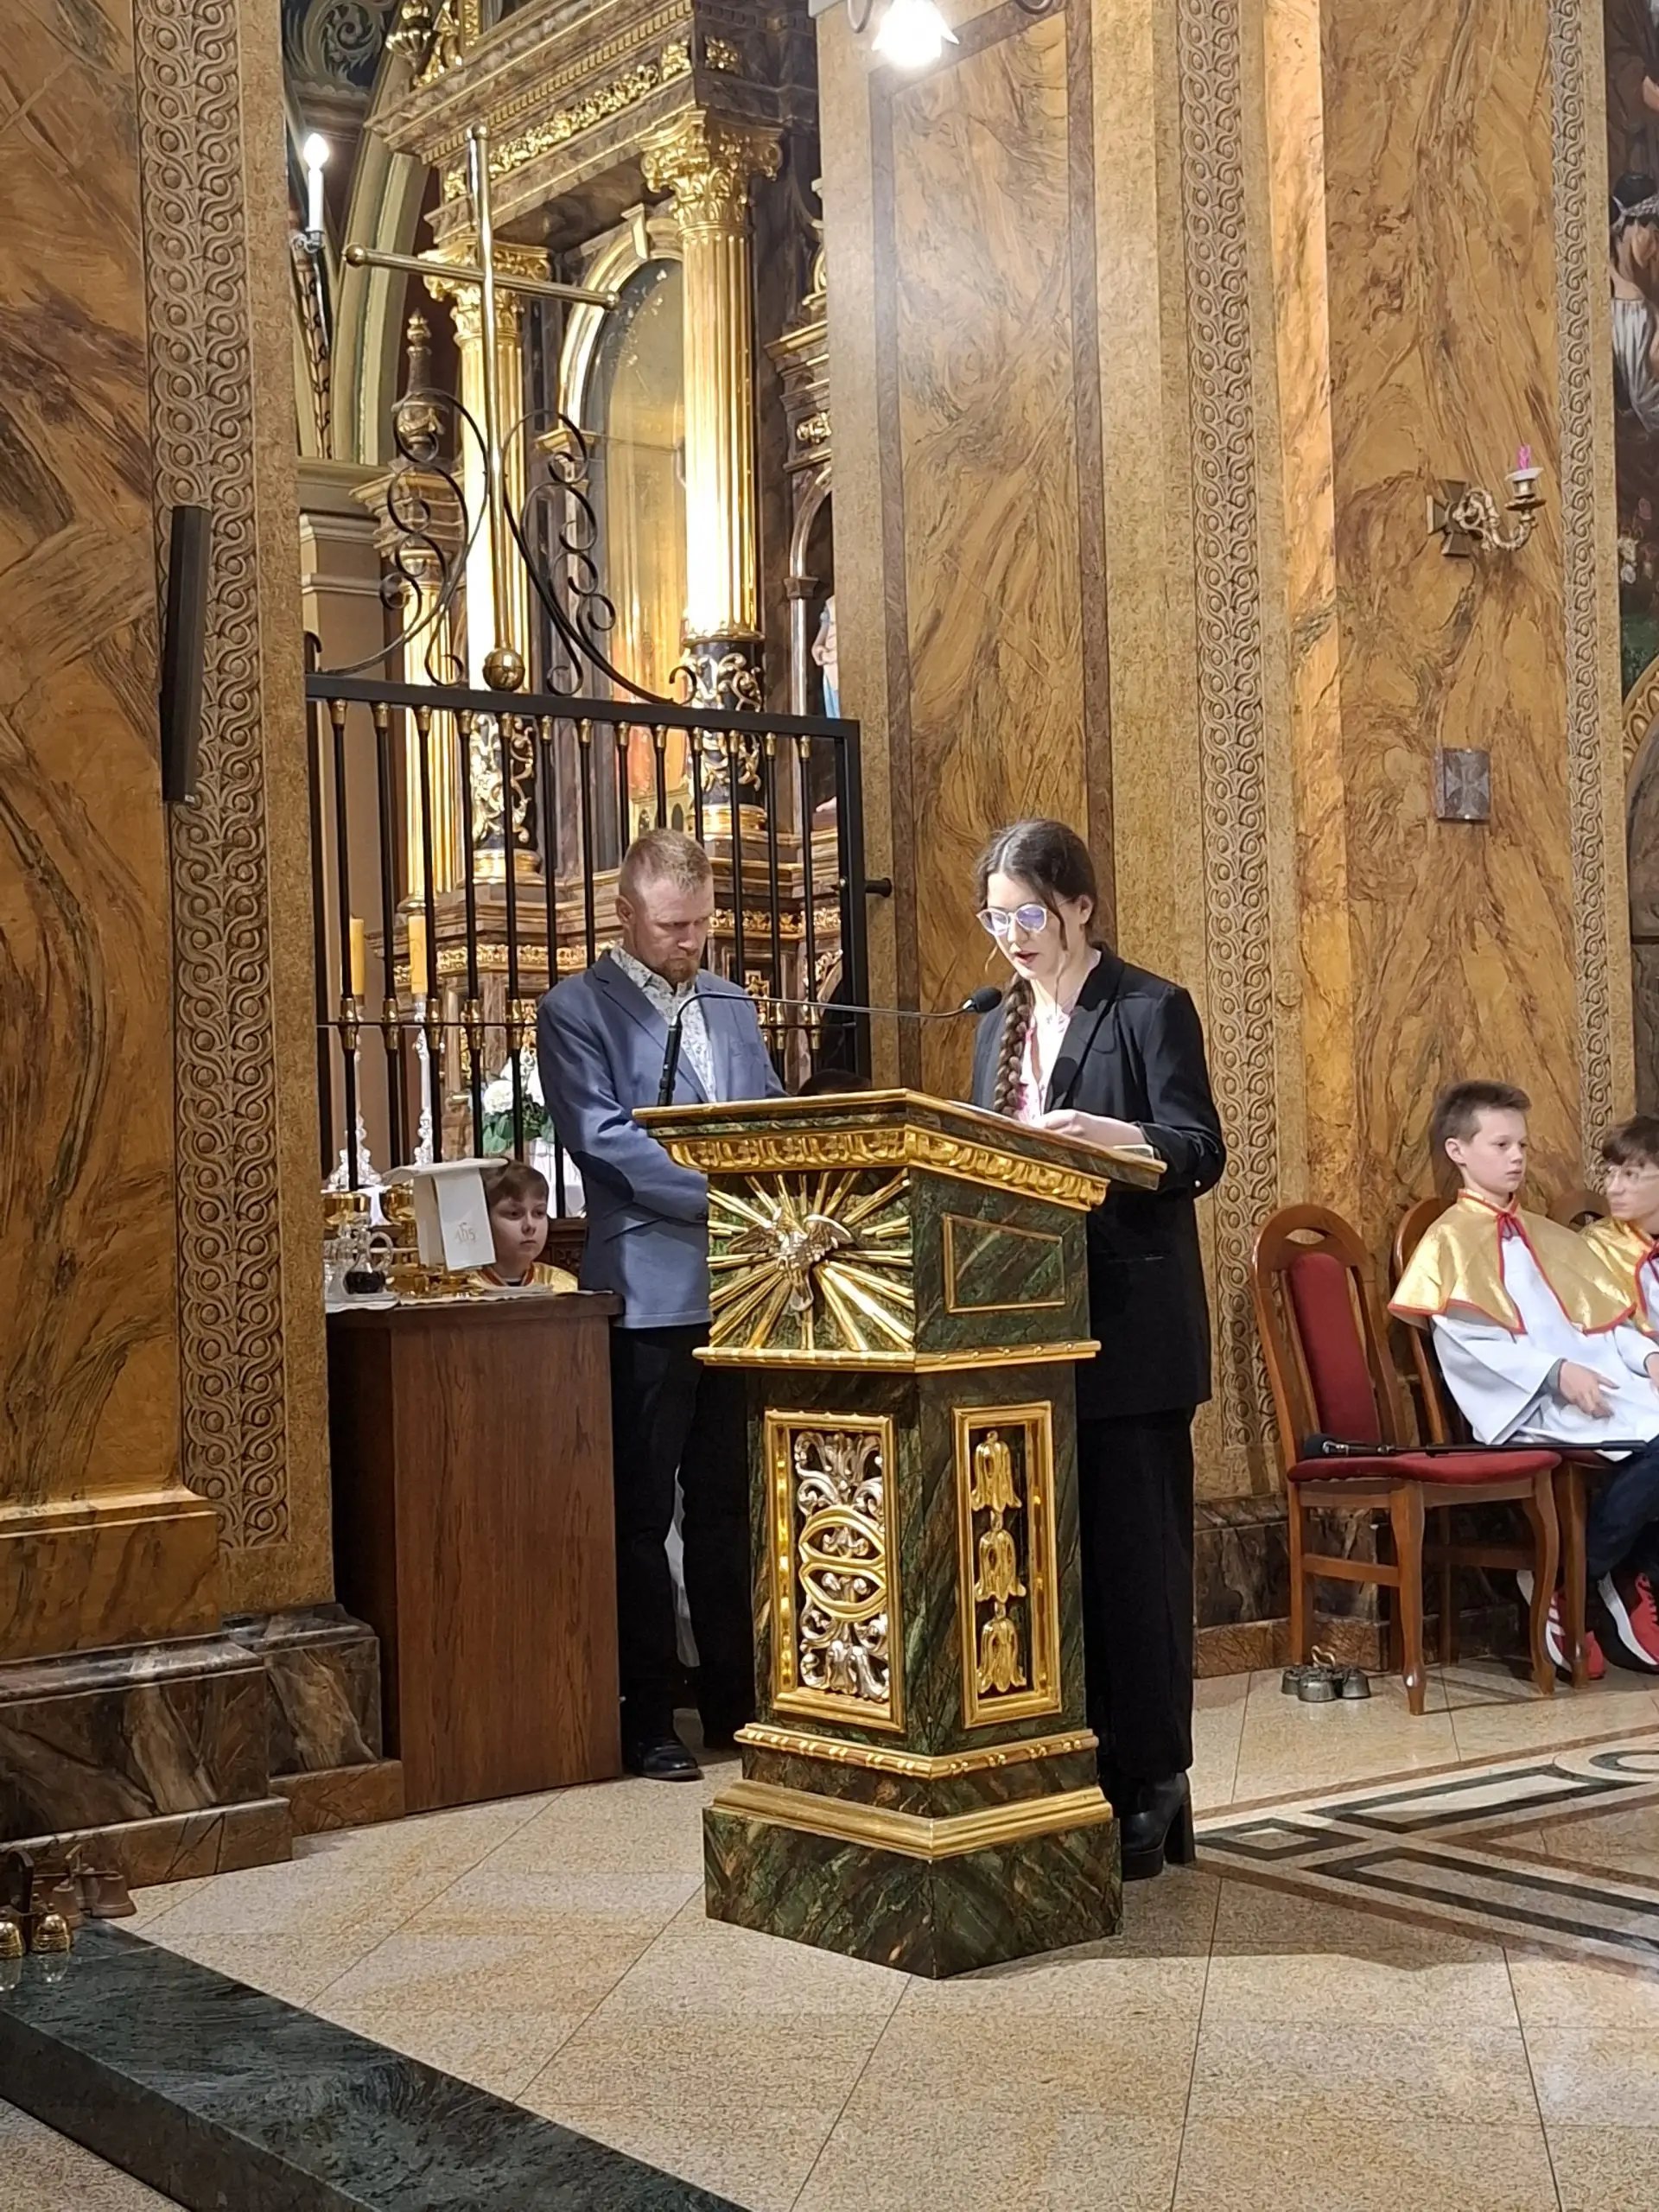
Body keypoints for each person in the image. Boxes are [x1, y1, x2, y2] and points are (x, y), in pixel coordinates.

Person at [968, 819, 1225, 1881]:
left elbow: (1199, 1148)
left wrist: (1122, 1139)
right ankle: (1080, 1767)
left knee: (1136, 1568)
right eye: (997, 918)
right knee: (1059, 1569)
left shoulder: (1147, 1008)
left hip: (1133, 1333)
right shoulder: (996, 1025)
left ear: (1080, 904)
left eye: (1030, 913)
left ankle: (1154, 1776)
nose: (1014, 936)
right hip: (1028, 1333)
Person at [537, 830, 784, 1780]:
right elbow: (605, 1141)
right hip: (648, 1290)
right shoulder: (575, 1009)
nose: (690, 942)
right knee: (641, 1515)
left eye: (701, 924)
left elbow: (767, 1111)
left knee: (730, 1505)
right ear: (625, 915)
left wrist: (774, 1185)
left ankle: (733, 1698)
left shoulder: (730, 1000)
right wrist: (729, 1198)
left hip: (740, 1289)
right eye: (673, 926)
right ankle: (647, 1715)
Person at [1389, 1082, 1659, 1674]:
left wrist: (1647, 1359)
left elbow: (1602, 1320)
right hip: (1531, 1403)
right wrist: (1554, 1372)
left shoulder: (1546, 1234)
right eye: (1501, 1144)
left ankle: (1603, 1574)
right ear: (1458, 1150)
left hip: (1601, 1388)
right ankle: (1572, 1581)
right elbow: (1471, 1346)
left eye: (1523, 1145)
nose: (1517, 1157)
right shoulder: (1449, 1243)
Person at [1577, 1113, 1659, 1667]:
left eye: (1632, 1174)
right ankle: (1586, 1571)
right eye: (1610, 1173)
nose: (1614, 1187)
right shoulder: (1594, 1247)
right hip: (1611, 1386)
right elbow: (1600, 1330)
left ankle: (1639, 1567)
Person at [470, 1160, 577, 1292]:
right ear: (484, 1219)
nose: (530, 1225)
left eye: (539, 1213)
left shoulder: (565, 1287)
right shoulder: (459, 1288)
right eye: (514, 1214)